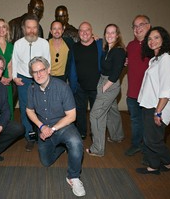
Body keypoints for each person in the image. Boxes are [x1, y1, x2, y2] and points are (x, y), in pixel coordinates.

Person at [26, 56, 86, 197]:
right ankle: (61, 147)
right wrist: (41, 127)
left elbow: (72, 116)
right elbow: (29, 110)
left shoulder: (63, 87)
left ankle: (73, 177)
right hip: (43, 129)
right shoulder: (32, 88)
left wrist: (52, 129)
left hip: (63, 126)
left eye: (41, 70)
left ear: (49, 70)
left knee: (76, 142)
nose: (39, 74)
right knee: (46, 162)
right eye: (35, 72)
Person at [125, 15, 170, 158]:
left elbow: (168, 60)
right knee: (136, 122)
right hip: (134, 94)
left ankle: (150, 152)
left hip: (153, 99)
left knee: (150, 130)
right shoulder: (131, 46)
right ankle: (137, 145)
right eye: (135, 26)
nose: (138, 28)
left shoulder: (158, 49)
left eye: (141, 25)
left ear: (149, 26)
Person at [136, 26, 170, 175]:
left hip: (157, 106)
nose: (152, 41)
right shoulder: (155, 59)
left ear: (163, 40)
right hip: (148, 105)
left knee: (153, 140)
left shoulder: (167, 58)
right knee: (148, 138)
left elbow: (167, 89)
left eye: (156, 37)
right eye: (149, 38)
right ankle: (153, 166)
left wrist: (158, 112)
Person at [12, 14, 50, 151]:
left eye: (34, 28)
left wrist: (45, 80)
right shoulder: (18, 44)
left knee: (41, 109)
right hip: (23, 81)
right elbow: (14, 62)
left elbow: (48, 63)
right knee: (25, 110)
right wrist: (14, 77)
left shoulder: (44, 43)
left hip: (40, 80)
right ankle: (30, 137)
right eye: (29, 28)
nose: (31, 31)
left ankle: (43, 136)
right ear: (23, 29)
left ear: (38, 29)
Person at [87, 24, 125, 157]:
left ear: (117, 35)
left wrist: (104, 88)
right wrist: (97, 39)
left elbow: (115, 74)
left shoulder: (119, 51)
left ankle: (97, 148)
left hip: (110, 84)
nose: (110, 35)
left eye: (113, 33)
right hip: (103, 80)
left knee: (96, 115)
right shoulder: (107, 48)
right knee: (111, 109)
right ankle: (117, 136)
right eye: (107, 33)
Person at [69, 22, 103, 139]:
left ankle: (95, 134)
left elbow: (115, 52)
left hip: (97, 86)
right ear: (78, 33)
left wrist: (124, 60)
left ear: (91, 31)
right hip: (80, 86)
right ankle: (81, 132)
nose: (84, 33)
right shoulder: (74, 47)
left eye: (87, 30)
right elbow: (72, 66)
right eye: (82, 31)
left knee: (96, 113)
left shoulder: (100, 44)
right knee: (80, 112)